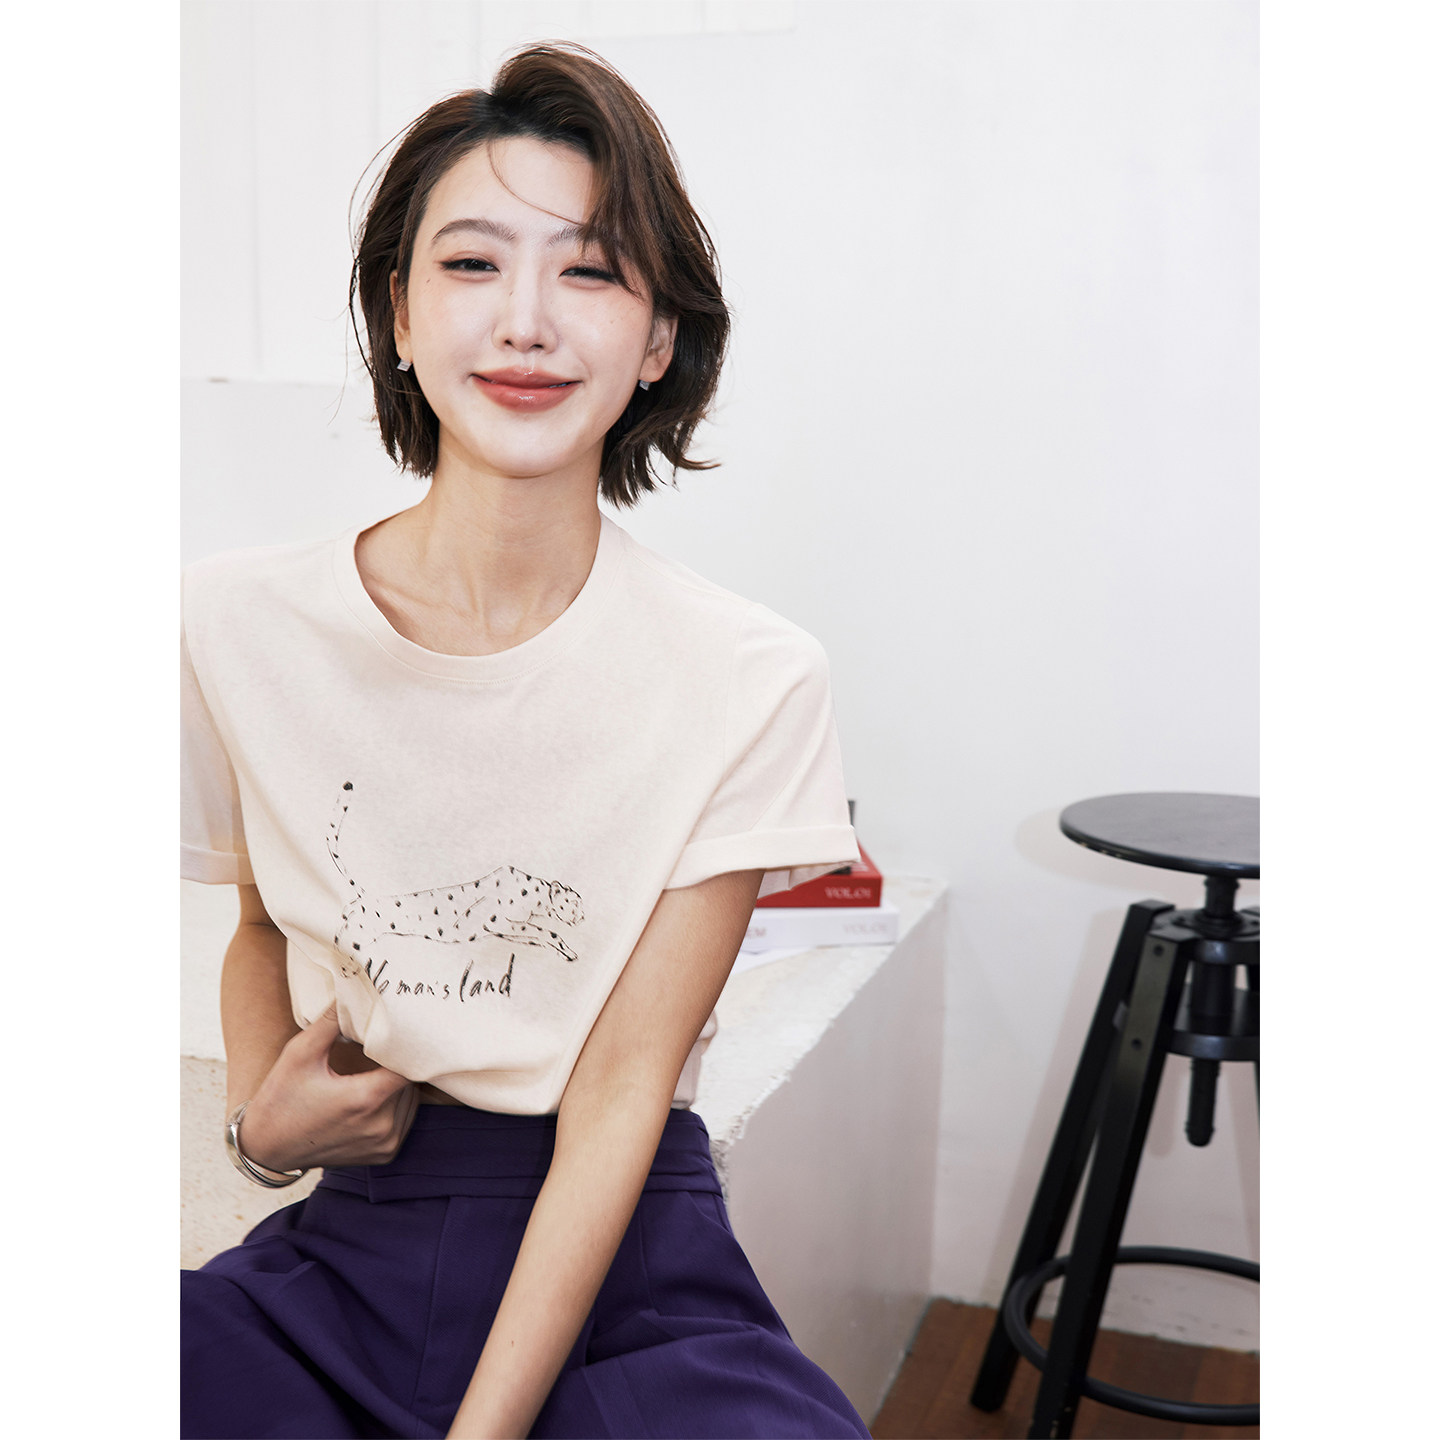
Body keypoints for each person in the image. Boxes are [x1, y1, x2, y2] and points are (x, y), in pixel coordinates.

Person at [181, 42, 871, 1440]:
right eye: (473, 263)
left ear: (659, 339)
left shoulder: (751, 676)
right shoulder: (231, 621)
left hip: (626, 1264)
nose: (528, 323)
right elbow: (260, 925)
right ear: (400, 310)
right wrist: (259, 1131)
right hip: (350, 1248)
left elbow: (620, 1095)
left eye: (593, 272)